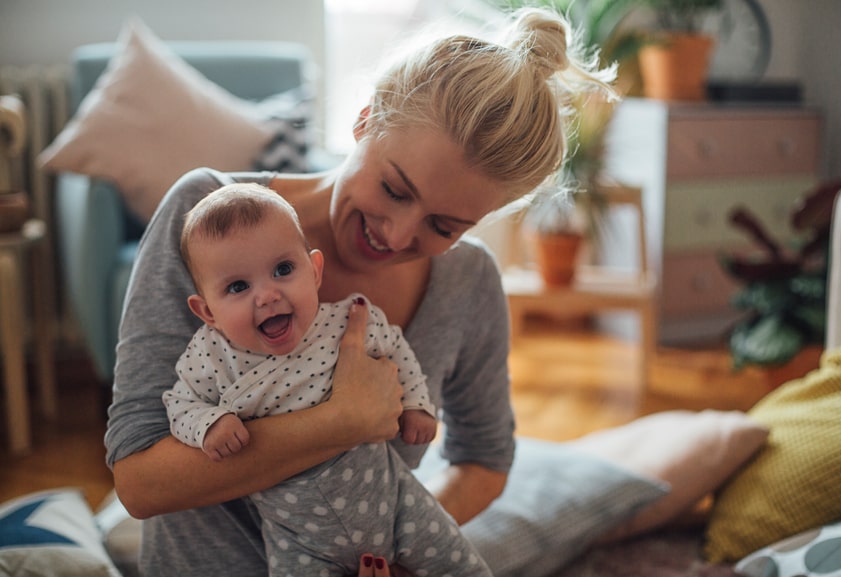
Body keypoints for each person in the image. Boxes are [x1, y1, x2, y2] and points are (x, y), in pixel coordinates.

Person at [105, 7, 616, 577]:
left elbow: (485, 460)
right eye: (395, 189)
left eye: (444, 227)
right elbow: (139, 482)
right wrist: (340, 422)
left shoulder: (468, 283)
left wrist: (402, 550)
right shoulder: (205, 224)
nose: (397, 236)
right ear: (366, 119)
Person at [161, 182, 488, 576]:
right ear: (207, 311)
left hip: (397, 507)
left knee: (463, 565)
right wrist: (209, 424)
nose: (266, 296)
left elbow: (396, 349)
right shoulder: (210, 357)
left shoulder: (346, 321)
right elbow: (179, 404)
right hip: (299, 540)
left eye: (283, 270)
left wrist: (417, 404)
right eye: (237, 286)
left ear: (314, 271)